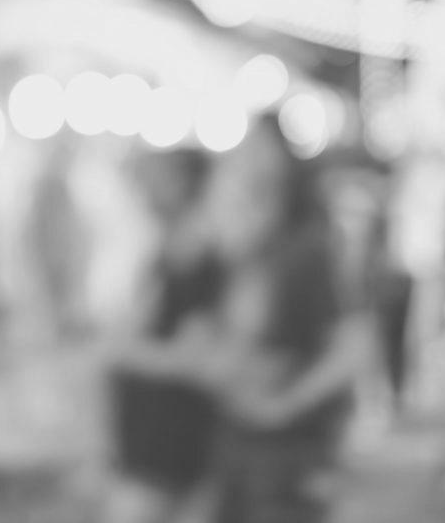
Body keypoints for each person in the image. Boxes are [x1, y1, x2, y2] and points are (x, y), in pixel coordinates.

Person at [208, 115, 366, 523]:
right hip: (242, 436)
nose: (245, 161)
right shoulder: (254, 245)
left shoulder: (308, 247)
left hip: (290, 447)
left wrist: (287, 404)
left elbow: (352, 348)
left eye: (257, 149)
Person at [105, 146, 223, 523]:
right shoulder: (163, 253)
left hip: (173, 445)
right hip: (148, 443)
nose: (148, 188)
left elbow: (195, 360)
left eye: (161, 177)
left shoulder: (202, 260)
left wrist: (123, 352)